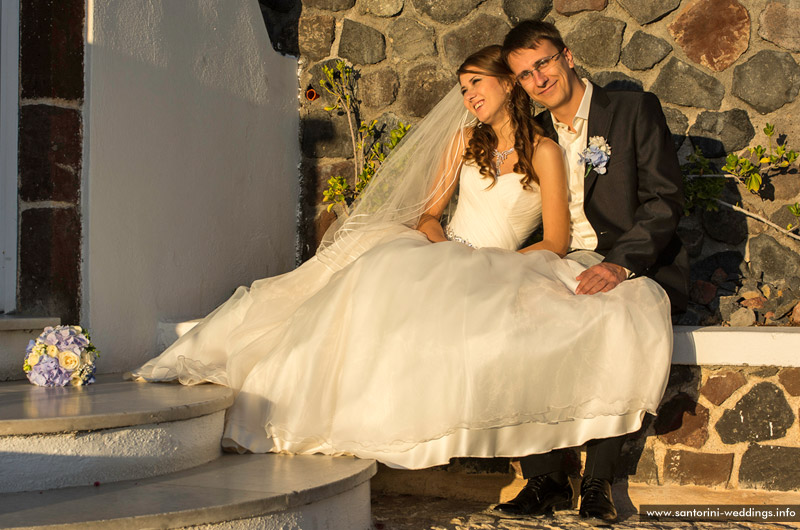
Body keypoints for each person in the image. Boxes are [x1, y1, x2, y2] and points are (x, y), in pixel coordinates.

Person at [130, 47, 672, 479]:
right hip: (445, 250)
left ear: (508, 83)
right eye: (462, 90)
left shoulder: (546, 151)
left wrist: (491, 263)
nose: (468, 97)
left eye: (476, 84)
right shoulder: (463, 141)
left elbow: (555, 239)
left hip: (502, 260)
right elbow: (429, 213)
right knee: (366, 287)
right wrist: (444, 247)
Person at [493, 21, 689, 524]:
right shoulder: (532, 133)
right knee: (508, 317)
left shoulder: (631, 110)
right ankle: (545, 478)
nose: (539, 79)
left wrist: (620, 264)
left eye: (544, 63)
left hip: (628, 261)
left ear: (568, 56)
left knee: (611, 321)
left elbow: (664, 199)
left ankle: (598, 482)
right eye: (525, 73)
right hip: (556, 259)